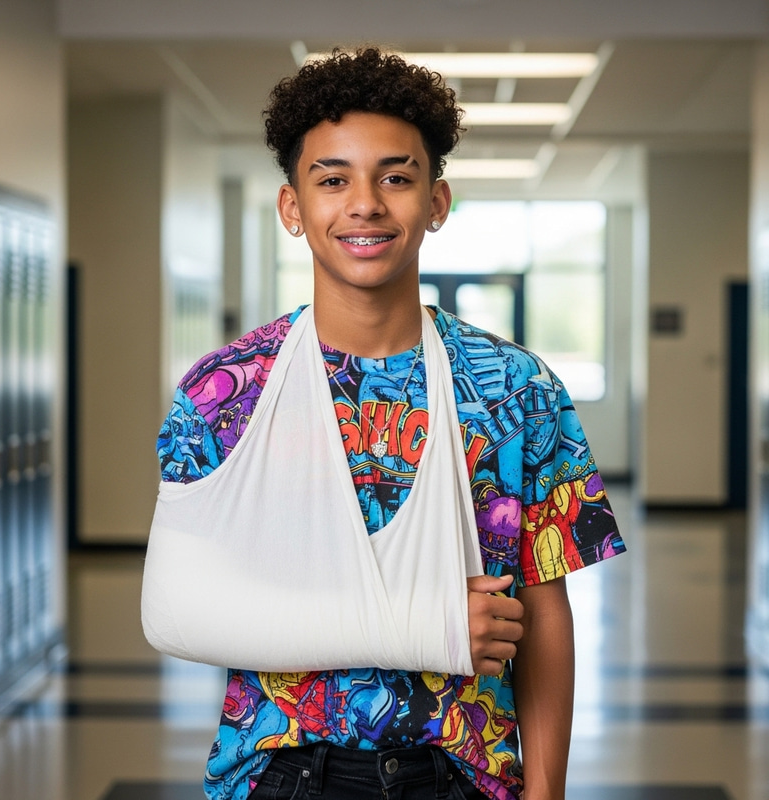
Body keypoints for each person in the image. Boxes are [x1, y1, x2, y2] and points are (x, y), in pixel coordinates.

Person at [146, 47, 626, 800]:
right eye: (332, 179)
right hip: (279, 772)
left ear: (436, 203)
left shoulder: (519, 390)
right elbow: (179, 607)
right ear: (292, 208)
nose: (364, 203)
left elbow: (544, 613)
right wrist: (421, 623)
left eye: (395, 177)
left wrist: (548, 792)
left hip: (462, 774)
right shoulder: (223, 393)